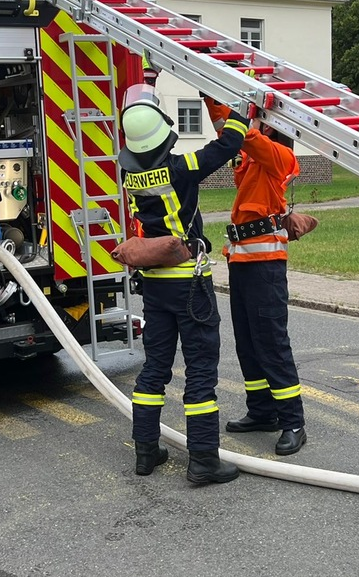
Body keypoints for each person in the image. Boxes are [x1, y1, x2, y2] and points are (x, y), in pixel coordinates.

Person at [118, 83, 246, 484]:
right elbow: (226, 146)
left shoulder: (128, 173)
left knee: (154, 369)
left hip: (154, 285)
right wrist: (243, 110)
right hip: (190, 285)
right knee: (201, 371)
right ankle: (204, 460)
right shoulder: (180, 168)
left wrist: (148, 79)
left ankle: (145, 453)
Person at [204, 96, 307, 456]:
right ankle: (262, 411)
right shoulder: (251, 160)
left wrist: (225, 103)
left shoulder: (280, 157)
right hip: (243, 264)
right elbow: (229, 131)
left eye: (262, 122)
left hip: (265, 269)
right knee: (248, 341)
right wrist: (211, 98)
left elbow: (243, 134)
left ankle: (292, 421)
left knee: (272, 342)